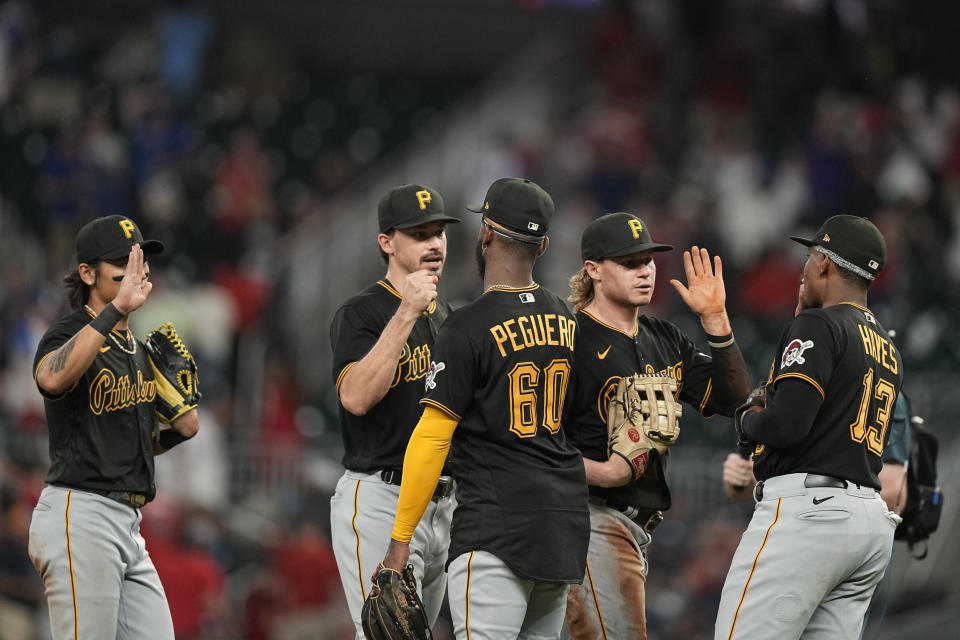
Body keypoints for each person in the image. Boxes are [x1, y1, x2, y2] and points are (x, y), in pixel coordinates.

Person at [379, 177, 589, 639]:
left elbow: (433, 437)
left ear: (486, 233)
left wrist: (400, 544)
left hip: (498, 527)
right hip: (561, 529)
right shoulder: (565, 317)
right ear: (544, 245)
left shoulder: (467, 326)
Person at [561, 212, 750, 639]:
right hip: (588, 518)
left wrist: (716, 320)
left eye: (648, 260)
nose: (645, 270)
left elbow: (733, 397)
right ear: (593, 270)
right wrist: (607, 472)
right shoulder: (569, 338)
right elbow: (535, 438)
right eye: (630, 262)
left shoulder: (663, 337)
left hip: (635, 527)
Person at [715, 215, 903, 640]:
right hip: (868, 523)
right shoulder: (888, 348)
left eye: (809, 255)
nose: (804, 265)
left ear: (824, 263)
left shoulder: (819, 324)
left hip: (810, 515)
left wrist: (746, 418)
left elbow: (786, 427)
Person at [28, 214, 200, 639]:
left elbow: (132, 441)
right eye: (122, 260)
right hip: (80, 511)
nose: (136, 268)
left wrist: (183, 429)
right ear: (87, 273)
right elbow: (50, 378)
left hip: (128, 520)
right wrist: (115, 312)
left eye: (141, 257)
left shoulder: (136, 349)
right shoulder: (68, 331)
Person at [328, 183, 460, 637]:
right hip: (381, 495)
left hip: (441, 504)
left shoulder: (446, 316)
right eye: (419, 234)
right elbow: (356, 397)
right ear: (387, 242)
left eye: (439, 232)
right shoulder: (362, 313)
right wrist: (405, 313)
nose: (434, 243)